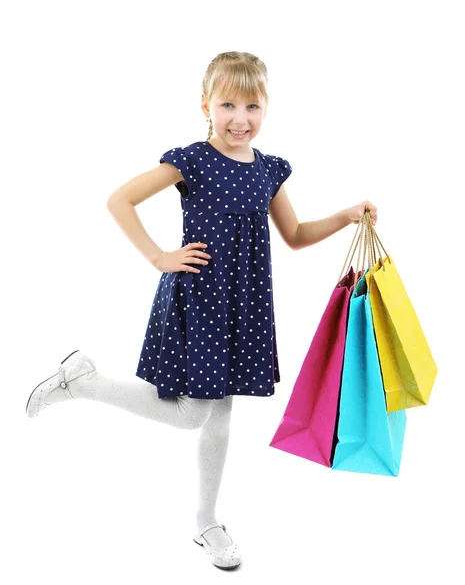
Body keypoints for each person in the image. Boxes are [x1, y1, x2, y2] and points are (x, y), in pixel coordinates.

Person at [25, 51, 377, 571]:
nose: (241, 117)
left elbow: (297, 236)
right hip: (203, 297)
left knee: (220, 414)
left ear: (266, 109)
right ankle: (85, 383)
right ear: (206, 105)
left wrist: (346, 216)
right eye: (228, 103)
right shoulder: (190, 160)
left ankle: (206, 522)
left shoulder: (269, 169)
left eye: (252, 105)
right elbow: (119, 200)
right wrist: (160, 257)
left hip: (246, 304)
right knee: (194, 413)